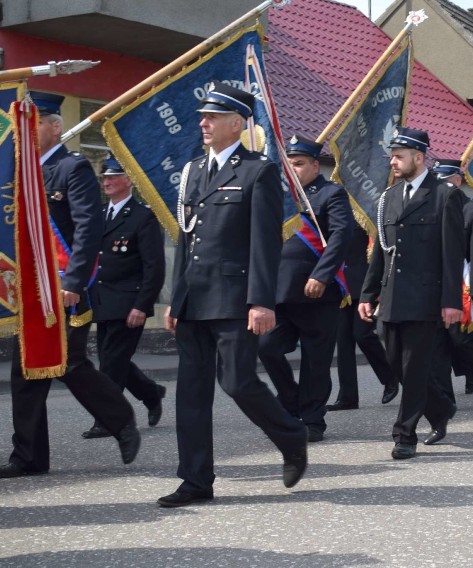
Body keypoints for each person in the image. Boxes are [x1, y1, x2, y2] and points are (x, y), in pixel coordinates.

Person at [160, 83, 307, 507]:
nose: (202, 122)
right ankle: (195, 481)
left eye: (212, 116)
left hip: (234, 298)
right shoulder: (192, 171)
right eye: (202, 116)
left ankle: (291, 435)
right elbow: (186, 239)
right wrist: (177, 296)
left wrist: (262, 300)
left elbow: (265, 243)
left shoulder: (257, 171)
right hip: (194, 299)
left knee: (238, 382)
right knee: (190, 393)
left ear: (237, 123)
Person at [0, 92, 140, 480]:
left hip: (64, 285)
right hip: (28, 288)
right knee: (26, 370)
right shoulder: (17, 170)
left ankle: (121, 419)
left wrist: (73, 280)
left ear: (55, 126)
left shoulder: (72, 168)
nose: (28, 130)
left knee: (68, 362)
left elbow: (89, 229)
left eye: (35, 122)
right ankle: (28, 457)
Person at [358, 126, 465, 460]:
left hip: (424, 297)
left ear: (419, 158)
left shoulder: (445, 195)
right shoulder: (389, 197)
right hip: (391, 297)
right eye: (392, 155)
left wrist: (451, 301)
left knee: (415, 366)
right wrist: (367, 293)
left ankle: (405, 435)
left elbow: (452, 254)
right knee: (396, 365)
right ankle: (442, 406)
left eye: (399, 155)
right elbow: (381, 251)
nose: (393, 161)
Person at [257, 136, 353, 442]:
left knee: (316, 360)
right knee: (267, 347)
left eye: (298, 164)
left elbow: (340, 236)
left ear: (315, 165)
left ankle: (312, 419)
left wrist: (321, 275)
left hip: (318, 294)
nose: (293, 170)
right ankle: (291, 401)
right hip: (280, 291)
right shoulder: (280, 196)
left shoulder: (331, 194)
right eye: (289, 164)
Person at [81, 154, 166, 439]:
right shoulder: (100, 214)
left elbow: (154, 266)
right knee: (111, 358)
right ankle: (151, 393)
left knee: (111, 362)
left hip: (129, 303)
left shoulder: (143, 217)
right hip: (103, 301)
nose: (106, 181)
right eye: (104, 176)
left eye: (113, 176)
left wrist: (143, 305)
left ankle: (108, 420)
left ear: (128, 180)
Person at [421, 159, 473, 445]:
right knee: (437, 345)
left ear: (458, 180)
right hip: (434, 284)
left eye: (446, 179)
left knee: (461, 339)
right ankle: (444, 402)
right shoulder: (431, 206)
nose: (441, 185)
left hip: (462, 282)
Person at [328, 221, 399, 411]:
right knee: (343, 342)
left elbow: (378, 253)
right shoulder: (335, 215)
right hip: (342, 285)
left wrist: (377, 288)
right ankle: (348, 397)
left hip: (365, 285)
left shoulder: (364, 211)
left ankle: (390, 377)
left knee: (363, 335)